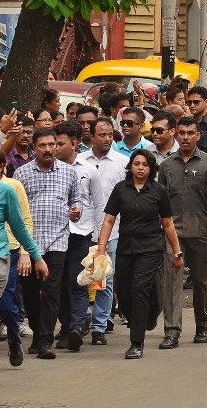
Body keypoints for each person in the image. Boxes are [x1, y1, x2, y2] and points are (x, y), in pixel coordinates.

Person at [95, 150, 181, 359]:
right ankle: (149, 314)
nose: (140, 168)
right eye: (136, 164)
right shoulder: (120, 189)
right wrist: (101, 248)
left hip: (150, 247)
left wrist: (177, 253)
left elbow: (167, 223)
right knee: (123, 292)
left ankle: (136, 343)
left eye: (145, 164)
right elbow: (109, 219)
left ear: (151, 168)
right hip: (126, 247)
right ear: (130, 166)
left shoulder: (159, 191)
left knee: (139, 288)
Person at [157, 116, 207, 349]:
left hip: (201, 230)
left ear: (198, 135)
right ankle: (172, 331)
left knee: (202, 281)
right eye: (182, 133)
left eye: (191, 133)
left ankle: (202, 326)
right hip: (172, 234)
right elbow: (160, 202)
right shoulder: (166, 166)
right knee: (172, 282)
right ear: (176, 134)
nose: (186, 137)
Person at [14, 128, 81, 359]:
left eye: (52, 144)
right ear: (34, 148)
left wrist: (75, 212)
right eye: (42, 145)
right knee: (31, 291)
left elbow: (76, 201)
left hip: (58, 240)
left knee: (52, 290)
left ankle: (44, 340)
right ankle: (37, 335)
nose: (48, 149)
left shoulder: (69, 173)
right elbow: (16, 209)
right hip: (29, 243)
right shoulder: (21, 174)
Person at [0, 148, 45, 377]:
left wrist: (34, 255)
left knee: (5, 306)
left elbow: (20, 226)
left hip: (0, 257)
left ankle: (14, 339)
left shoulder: (6, 191)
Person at [53, 122, 104, 352]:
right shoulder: (49, 170)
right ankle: (65, 328)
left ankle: (76, 327)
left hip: (82, 235)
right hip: (55, 235)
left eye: (60, 144)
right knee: (59, 284)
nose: (55, 148)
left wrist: (99, 241)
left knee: (77, 281)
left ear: (73, 144)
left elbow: (99, 205)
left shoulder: (88, 170)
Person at [78, 118, 128, 345]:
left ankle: (100, 325)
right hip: (82, 230)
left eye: (110, 134)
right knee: (81, 277)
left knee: (105, 278)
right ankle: (82, 318)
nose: (107, 139)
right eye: (102, 135)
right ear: (92, 136)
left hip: (112, 231)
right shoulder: (78, 162)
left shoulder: (123, 163)